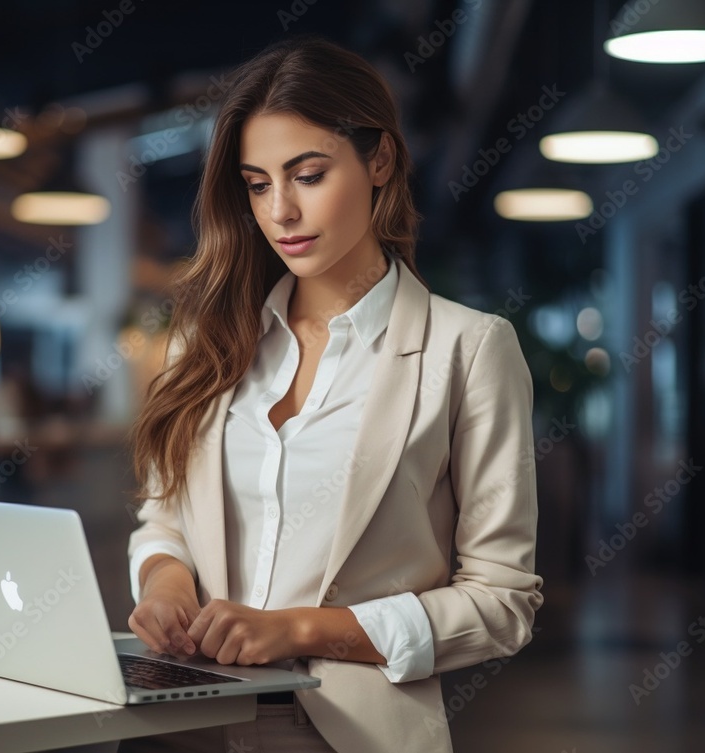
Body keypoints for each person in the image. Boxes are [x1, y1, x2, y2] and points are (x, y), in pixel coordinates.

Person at [120, 34, 543, 753]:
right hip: (186, 719)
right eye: (257, 184)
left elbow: (502, 602)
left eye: (307, 175)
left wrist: (301, 629)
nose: (280, 210)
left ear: (379, 160)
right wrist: (164, 586)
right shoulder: (209, 341)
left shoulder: (468, 349)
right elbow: (164, 520)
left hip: (349, 732)